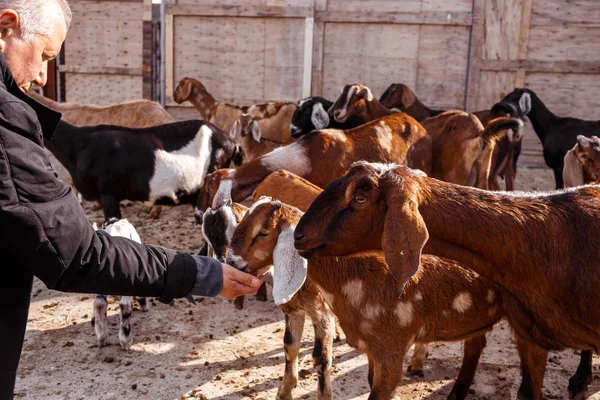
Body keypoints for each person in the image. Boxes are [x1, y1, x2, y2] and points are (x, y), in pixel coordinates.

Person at [0, 1, 265, 398]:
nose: (42, 75)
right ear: (7, 27)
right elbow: (76, 255)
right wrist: (200, 274)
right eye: (45, 55)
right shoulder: (6, 129)